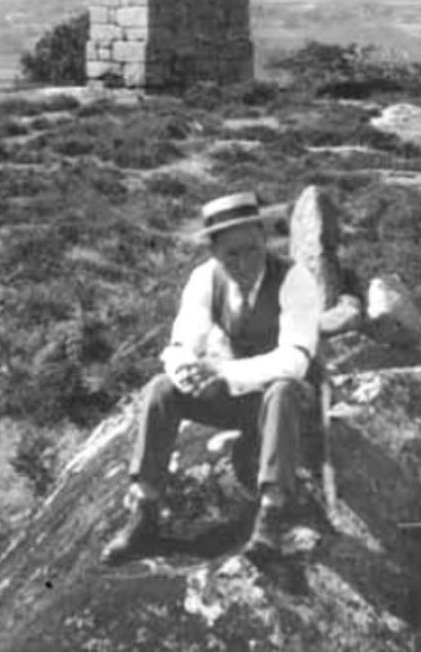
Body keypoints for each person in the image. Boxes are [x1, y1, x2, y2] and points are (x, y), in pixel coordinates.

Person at [101, 191, 322, 565]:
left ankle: (272, 515)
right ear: (214, 252)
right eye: (231, 254)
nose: (244, 262)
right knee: (160, 390)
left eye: (252, 249)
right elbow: (181, 343)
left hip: (291, 401)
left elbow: (295, 359)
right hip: (239, 399)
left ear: (264, 240)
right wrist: (188, 371)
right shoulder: (205, 279)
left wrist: (222, 372)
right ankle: (144, 514)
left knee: (282, 390)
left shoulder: (293, 278)